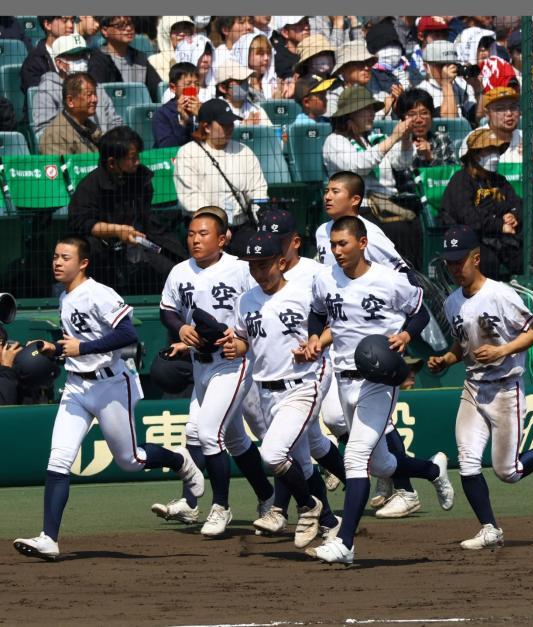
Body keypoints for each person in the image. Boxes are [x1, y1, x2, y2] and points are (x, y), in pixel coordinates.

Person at [12, 236, 204, 561]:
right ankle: (49, 538)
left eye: (65, 257)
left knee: (130, 461)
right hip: (76, 387)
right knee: (58, 459)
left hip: (112, 385)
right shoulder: (65, 295)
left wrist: (80, 348)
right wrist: (55, 348)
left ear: (83, 262)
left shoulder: (98, 293)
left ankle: (181, 461)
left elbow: (128, 334)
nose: (57, 262)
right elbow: (77, 341)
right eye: (55, 256)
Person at [303, 216, 455, 564]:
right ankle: (433, 470)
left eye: (343, 244)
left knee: (355, 457)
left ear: (363, 243)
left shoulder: (389, 281)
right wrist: (314, 336)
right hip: (343, 376)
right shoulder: (324, 279)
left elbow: (418, 312)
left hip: (379, 380)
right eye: (333, 245)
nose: (337, 251)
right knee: (382, 462)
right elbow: (316, 314)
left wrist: (406, 335)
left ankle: (345, 543)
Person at [428, 225, 533, 549]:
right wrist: (446, 359)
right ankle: (489, 528)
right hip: (473, 388)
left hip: (506, 389)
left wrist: (501, 350)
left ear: (476, 258)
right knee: (467, 461)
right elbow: (463, 344)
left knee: (507, 472)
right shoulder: (453, 302)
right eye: (449, 263)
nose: (454, 268)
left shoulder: (500, 294)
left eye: (459, 261)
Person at [149, 207, 276, 535]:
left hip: (233, 361)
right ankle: (266, 496)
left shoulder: (241, 270)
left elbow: (266, 302)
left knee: (206, 433)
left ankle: (219, 506)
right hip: (201, 364)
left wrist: (244, 336)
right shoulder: (180, 272)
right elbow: (168, 311)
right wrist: (179, 330)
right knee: (232, 438)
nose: (195, 239)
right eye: (191, 234)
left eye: (203, 234)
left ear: (222, 239)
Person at [311, 172, 423, 512]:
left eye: (336, 191)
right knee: (333, 417)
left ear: (355, 200)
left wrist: (400, 332)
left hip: (372, 340)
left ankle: (404, 489)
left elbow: (403, 277)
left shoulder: (369, 235)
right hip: (341, 339)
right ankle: (382, 467)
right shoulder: (324, 232)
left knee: (378, 424)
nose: (328, 196)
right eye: (326, 189)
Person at [224, 230, 343, 549]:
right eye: (252, 266)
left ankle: (308, 508)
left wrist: (318, 341)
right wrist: (233, 347)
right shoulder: (246, 301)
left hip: (304, 383)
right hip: (266, 391)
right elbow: (242, 340)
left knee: (273, 454)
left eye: (264, 265)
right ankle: (331, 523)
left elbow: (336, 323)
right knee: (300, 464)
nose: (258, 272)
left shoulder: (304, 295)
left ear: (280, 262)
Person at [66, 125, 187, 294]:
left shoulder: (141, 177)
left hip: (140, 240)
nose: (138, 162)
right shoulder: (90, 186)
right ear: (112, 163)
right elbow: (82, 223)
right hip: (103, 248)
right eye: (132, 158)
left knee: (173, 265)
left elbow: (145, 216)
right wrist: (116, 230)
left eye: (138, 156)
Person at [322, 85, 418, 247]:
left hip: (387, 204)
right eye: (365, 110)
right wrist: (394, 137)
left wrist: (406, 139)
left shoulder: (372, 139)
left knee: (414, 225)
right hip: (358, 208)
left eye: (372, 110)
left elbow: (402, 163)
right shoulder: (334, 141)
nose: (372, 114)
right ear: (349, 115)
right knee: (399, 230)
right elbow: (358, 166)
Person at [174, 98, 268, 237]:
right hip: (205, 230)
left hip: (242, 225)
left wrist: (260, 220)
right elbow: (191, 198)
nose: (230, 127)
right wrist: (217, 226)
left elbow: (258, 189)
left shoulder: (244, 151)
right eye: (224, 124)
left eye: (231, 122)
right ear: (206, 127)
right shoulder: (188, 153)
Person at [441, 129, 522, 281]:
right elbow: (468, 218)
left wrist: (513, 215)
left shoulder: (499, 180)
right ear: (475, 155)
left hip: (498, 237)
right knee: (488, 259)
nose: (495, 156)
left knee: (522, 255)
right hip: (469, 239)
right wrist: (499, 225)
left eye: (496, 151)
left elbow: (517, 203)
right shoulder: (460, 181)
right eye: (488, 151)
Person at [32, 34, 124, 139]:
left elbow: (114, 122)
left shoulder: (97, 87)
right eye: (75, 57)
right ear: (59, 63)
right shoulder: (47, 90)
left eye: (84, 56)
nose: (82, 61)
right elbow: (43, 133)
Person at [88, 16, 162, 99]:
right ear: (105, 30)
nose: (129, 28)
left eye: (130, 23)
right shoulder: (98, 61)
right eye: (121, 25)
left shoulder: (140, 58)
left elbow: (159, 89)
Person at [39, 72, 103, 155]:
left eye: (95, 94)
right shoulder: (55, 136)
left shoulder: (90, 127)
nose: (95, 99)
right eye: (89, 95)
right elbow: (60, 167)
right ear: (70, 101)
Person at [458, 85, 522, 162]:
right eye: (500, 109)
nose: (509, 113)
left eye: (513, 107)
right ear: (487, 114)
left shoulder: (527, 138)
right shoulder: (475, 139)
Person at [418, 40, 478, 120]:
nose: (448, 69)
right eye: (442, 65)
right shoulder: (421, 91)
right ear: (426, 67)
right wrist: (446, 84)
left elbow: (479, 118)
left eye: (452, 64)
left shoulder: (461, 86)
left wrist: (478, 89)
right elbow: (449, 122)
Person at [365, 18, 411, 116]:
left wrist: (402, 97)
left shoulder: (403, 69)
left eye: (394, 44)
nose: (392, 50)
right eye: (386, 46)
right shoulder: (368, 77)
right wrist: (385, 108)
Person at [20, 15, 75, 95]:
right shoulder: (34, 61)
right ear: (48, 24)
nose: (71, 26)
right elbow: (38, 97)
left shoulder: (82, 54)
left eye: (72, 20)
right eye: (64, 20)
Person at [152, 62, 201, 148]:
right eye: (188, 84)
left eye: (197, 84)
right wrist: (183, 123)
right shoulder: (162, 114)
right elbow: (166, 148)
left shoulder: (205, 109)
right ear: (173, 87)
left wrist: (202, 117)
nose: (194, 88)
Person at [326, 40, 379, 117]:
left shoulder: (377, 92)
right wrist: (383, 111)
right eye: (360, 63)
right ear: (343, 69)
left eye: (368, 62)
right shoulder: (333, 98)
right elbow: (331, 125)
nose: (366, 68)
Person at [213, 59, 271, 126]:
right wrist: (245, 128)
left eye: (246, 80)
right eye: (240, 81)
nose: (245, 84)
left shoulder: (257, 110)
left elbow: (273, 134)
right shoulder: (215, 112)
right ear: (223, 88)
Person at [169, 35, 217, 104]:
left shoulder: (219, 89)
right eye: (200, 54)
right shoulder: (173, 93)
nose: (206, 60)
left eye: (208, 54)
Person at [231, 33, 280, 101]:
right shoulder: (237, 85)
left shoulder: (275, 84)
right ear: (246, 55)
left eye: (268, 53)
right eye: (260, 53)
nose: (266, 58)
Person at [270, 16, 311, 82]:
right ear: (285, 33)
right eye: (299, 24)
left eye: (307, 22)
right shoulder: (277, 59)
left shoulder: (314, 50)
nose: (306, 27)